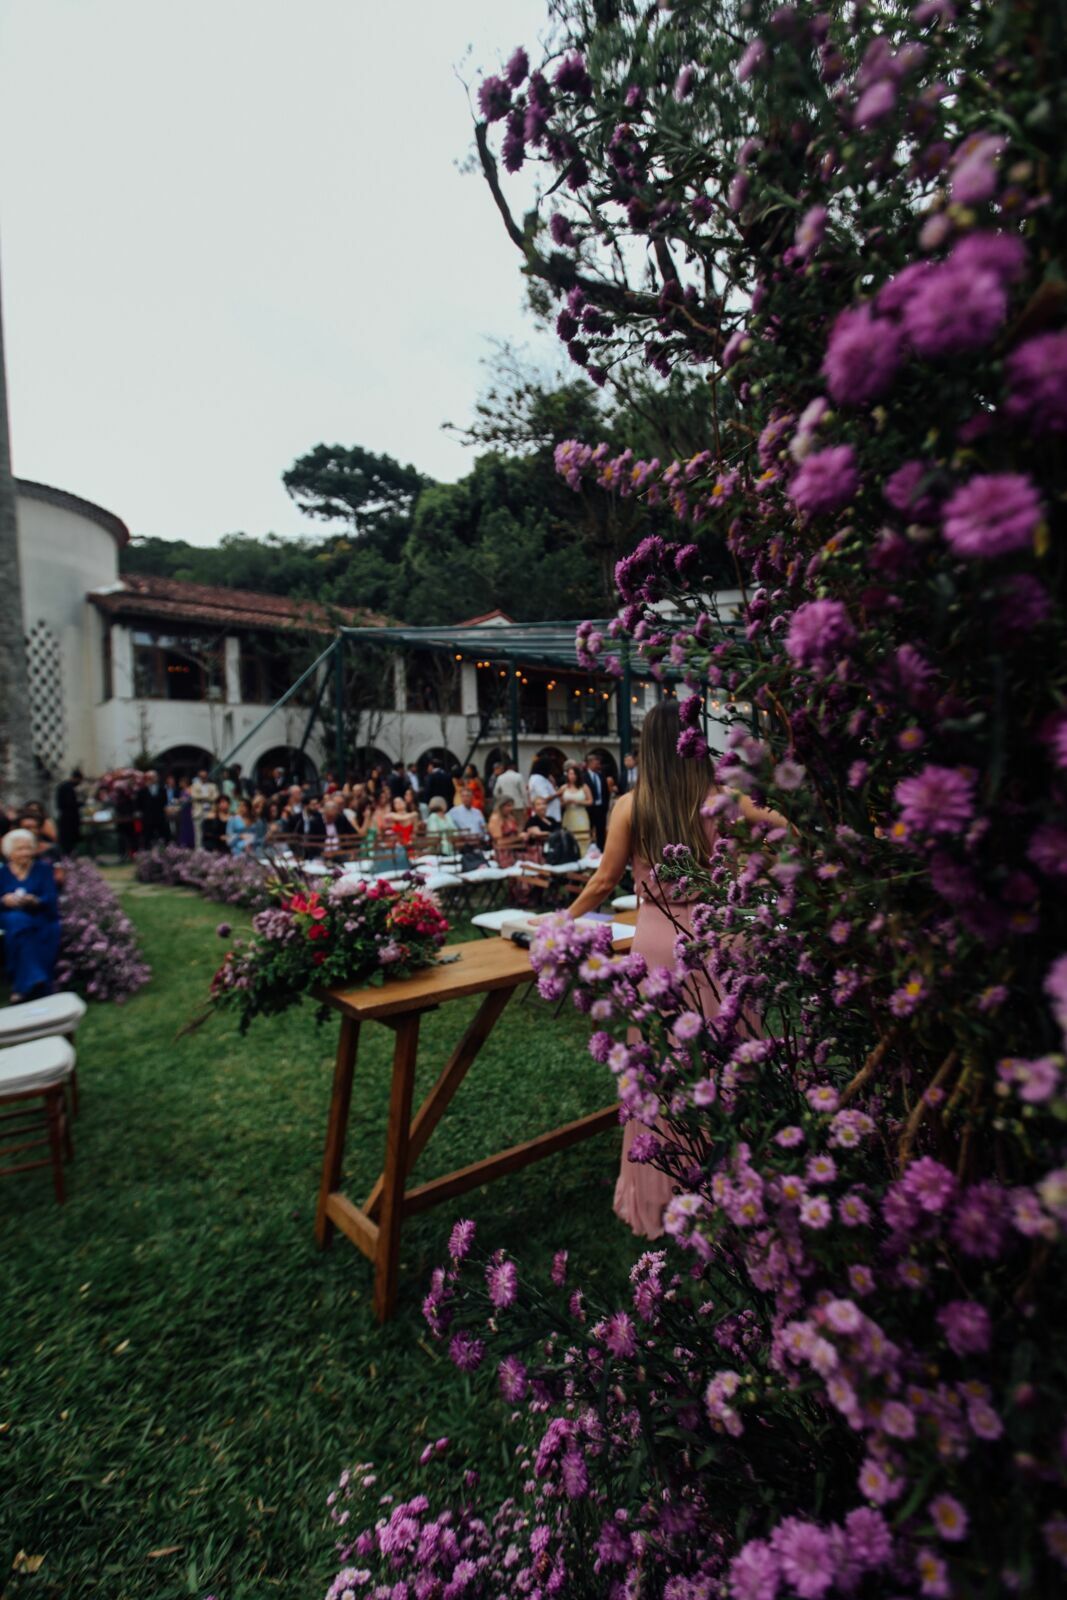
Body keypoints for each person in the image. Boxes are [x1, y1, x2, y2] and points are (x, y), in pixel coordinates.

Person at [563, 700, 785, 1239]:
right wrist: (758, 880)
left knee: (659, 1071)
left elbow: (602, 883)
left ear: (648, 750)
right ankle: (733, 1192)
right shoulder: (723, 801)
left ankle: (662, 1197)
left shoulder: (629, 807)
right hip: (722, 940)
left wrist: (556, 924)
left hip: (659, 946)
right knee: (729, 1063)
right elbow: (785, 829)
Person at [0, 828, 61, 1001]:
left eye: (28, 848)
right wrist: (5, 900)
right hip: (7, 916)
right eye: (20, 848)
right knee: (17, 920)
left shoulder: (43, 869)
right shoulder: (2, 873)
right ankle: (37, 981)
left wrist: (35, 900)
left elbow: (50, 897)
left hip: (39, 915)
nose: (26, 852)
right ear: (9, 852)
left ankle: (21, 987)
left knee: (24, 929)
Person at [560, 763, 593, 852]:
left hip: (580, 813)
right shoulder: (564, 788)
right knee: (569, 836)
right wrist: (565, 803)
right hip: (569, 813)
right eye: (570, 774)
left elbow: (590, 801)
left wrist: (579, 802)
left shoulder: (584, 787)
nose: (572, 776)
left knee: (582, 836)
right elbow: (559, 803)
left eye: (574, 774)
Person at [137, 770, 170, 847]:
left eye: (155, 777)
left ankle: (166, 853)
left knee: (164, 836)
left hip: (160, 817)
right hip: (148, 818)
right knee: (147, 838)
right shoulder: (142, 791)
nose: (153, 779)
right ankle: (148, 854)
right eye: (151, 777)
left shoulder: (162, 789)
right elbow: (139, 804)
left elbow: (165, 802)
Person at [55, 769, 83, 856]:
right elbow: (69, 803)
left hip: (67, 817)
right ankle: (68, 856)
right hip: (69, 818)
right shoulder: (67, 788)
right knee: (68, 840)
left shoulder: (64, 786)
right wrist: (81, 804)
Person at [584, 753, 609, 849]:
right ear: (590, 763)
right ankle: (589, 849)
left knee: (601, 831)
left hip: (601, 808)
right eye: (596, 762)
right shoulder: (584, 777)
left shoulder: (601, 775)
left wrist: (605, 806)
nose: (598, 764)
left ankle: (601, 849)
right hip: (589, 808)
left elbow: (606, 792)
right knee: (589, 829)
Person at [487, 795, 522, 862]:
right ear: (501, 806)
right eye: (508, 806)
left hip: (516, 848)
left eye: (512, 806)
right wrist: (519, 838)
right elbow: (499, 842)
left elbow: (517, 832)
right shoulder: (496, 819)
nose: (511, 808)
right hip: (503, 852)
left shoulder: (511, 817)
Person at [190, 769, 218, 847]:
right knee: (198, 832)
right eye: (201, 776)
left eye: (205, 776)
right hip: (198, 811)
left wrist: (202, 797)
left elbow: (216, 797)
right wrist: (208, 797)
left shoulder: (212, 785)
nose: (203, 778)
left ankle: (210, 848)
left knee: (210, 831)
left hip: (210, 811)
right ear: (199, 777)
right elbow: (194, 796)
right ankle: (198, 849)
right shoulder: (194, 785)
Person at [528, 758, 561, 823]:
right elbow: (544, 798)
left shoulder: (542, 778)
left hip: (552, 815)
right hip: (547, 815)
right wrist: (559, 793)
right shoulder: (538, 779)